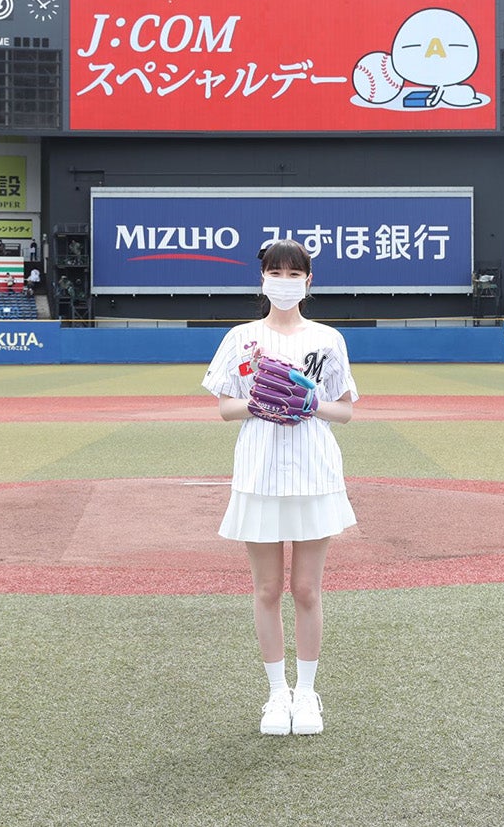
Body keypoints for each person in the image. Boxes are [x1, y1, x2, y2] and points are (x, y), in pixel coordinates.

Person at [201, 239, 358, 737]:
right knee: (268, 589)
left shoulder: (327, 338)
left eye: (294, 273)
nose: (284, 281)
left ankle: (308, 693)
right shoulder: (242, 337)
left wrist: (307, 404)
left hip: (313, 468)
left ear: (308, 281)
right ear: (263, 278)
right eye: (276, 271)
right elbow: (226, 406)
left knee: (307, 589)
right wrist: (261, 404)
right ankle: (276, 695)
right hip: (260, 469)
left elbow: (346, 409)